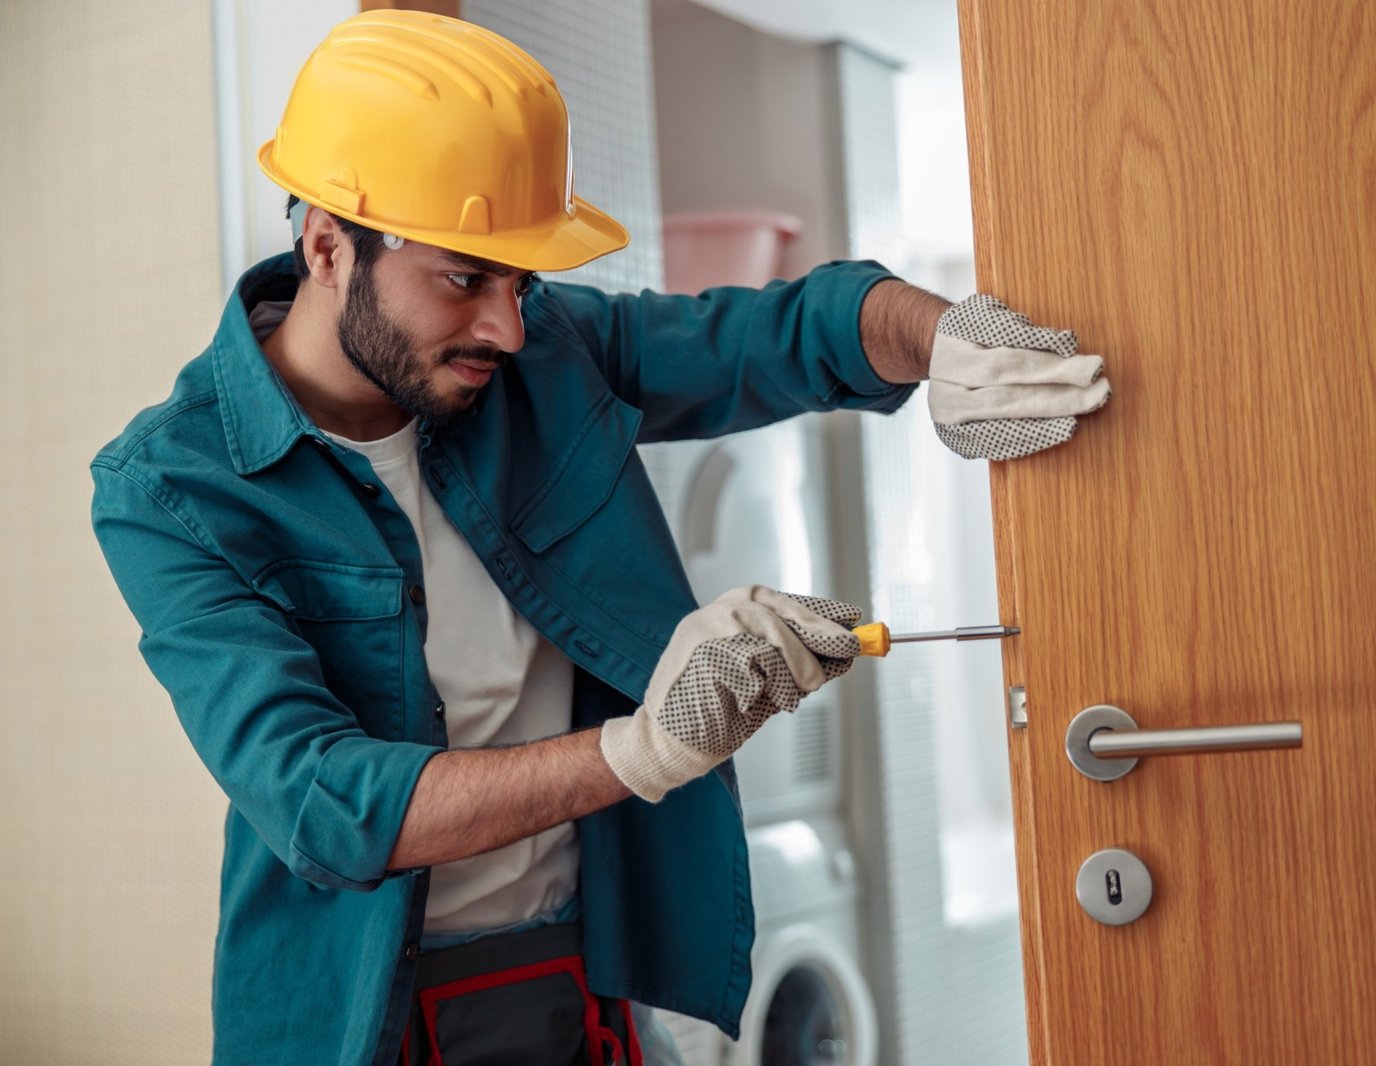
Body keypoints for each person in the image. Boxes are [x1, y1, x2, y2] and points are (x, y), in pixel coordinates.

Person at [89, 11, 1109, 1066]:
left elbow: (773, 334)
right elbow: (322, 798)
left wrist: (940, 338)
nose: (510, 327)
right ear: (327, 246)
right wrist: (644, 748)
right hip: (357, 1025)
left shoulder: (546, 355)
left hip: (584, 982)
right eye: (464, 278)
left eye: (520, 282)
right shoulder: (170, 488)